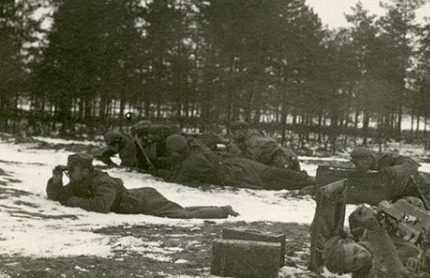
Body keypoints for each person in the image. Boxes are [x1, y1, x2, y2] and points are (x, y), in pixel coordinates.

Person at [46, 153, 238, 219]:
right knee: (180, 209)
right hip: (137, 197)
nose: (69, 174)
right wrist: (56, 181)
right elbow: (59, 195)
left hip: (143, 202)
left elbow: (100, 206)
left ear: (86, 171)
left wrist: (70, 200)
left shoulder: (102, 182)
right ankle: (220, 209)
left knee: (184, 215)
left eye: (73, 170)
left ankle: (223, 210)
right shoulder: (81, 180)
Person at [349, 147, 430, 212]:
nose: (357, 166)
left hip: (421, 185)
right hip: (405, 194)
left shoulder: (387, 158)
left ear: (368, 159)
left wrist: (395, 171)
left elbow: (412, 164)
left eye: (358, 162)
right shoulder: (368, 170)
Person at [165, 134, 313, 191]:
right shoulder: (197, 146)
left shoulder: (191, 162)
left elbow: (179, 178)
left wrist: (160, 172)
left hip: (232, 174)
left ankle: (304, 184)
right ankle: (305, 178)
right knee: (269, 172)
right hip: (239, 162)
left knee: (267, 183)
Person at [227, 121, 301, 171]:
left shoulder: (254, 141)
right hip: (287, 159)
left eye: (233, 133)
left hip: (284, 163)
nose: (232, 135)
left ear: (242, 132)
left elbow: (249, 162)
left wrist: (236, 151)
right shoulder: (251, 137)